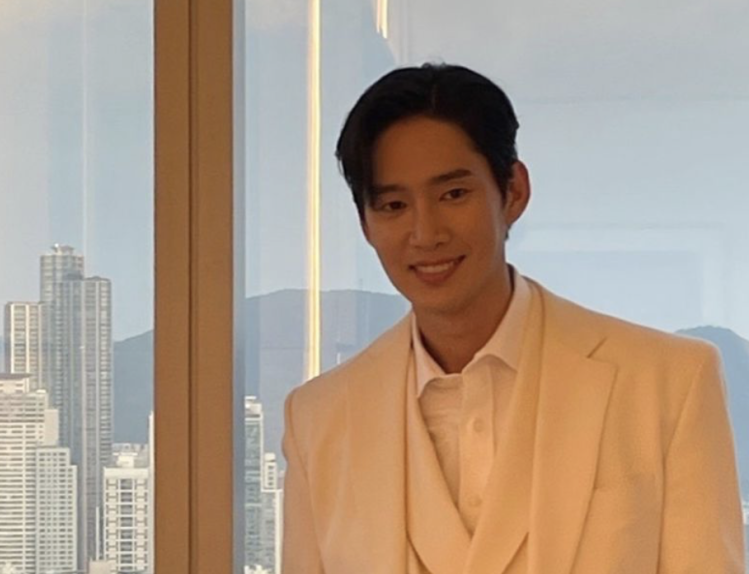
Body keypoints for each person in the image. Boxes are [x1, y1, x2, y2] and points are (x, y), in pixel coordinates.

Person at [280, 63, 744, 573]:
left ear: (513, 191)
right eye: (393, 204)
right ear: (366, 225)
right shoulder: (319, 420)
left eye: (453, 194)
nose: (425, 232)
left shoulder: (667, 382)